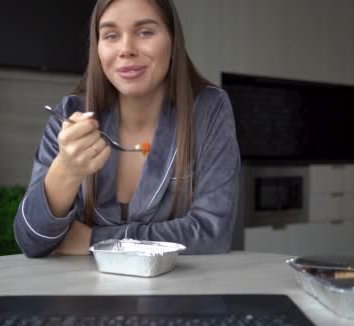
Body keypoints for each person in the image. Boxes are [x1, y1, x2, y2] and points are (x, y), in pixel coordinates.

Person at [14, 0, 240, 257]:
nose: (126, 49)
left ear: (173, 41)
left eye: (145, 32)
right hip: (83, 295)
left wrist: (95, 241)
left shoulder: (209, 109)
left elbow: (212, 234)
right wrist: (67, 168)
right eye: (111, 35)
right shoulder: (69, 115)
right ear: (97, 48)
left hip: (180, 295)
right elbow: (31, 241)